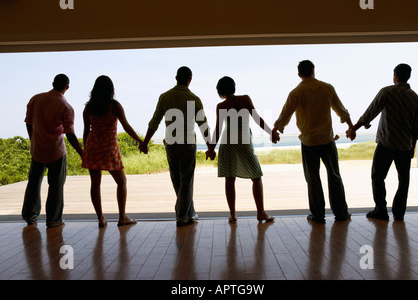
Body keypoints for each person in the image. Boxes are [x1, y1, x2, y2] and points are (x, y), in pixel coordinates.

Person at [273, 60, 353, 223]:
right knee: (334, 176)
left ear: (299, 74)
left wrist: (276, 131)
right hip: (327, 140)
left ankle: (317, 215)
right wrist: (351, 127)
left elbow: (285, 115)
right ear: (313, 71)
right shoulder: (327, 88)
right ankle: (341, 213)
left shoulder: (296, 92)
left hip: (309, 142)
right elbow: (341, 110)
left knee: (313, 179)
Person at [139, 66, 214, 227]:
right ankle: (182, 216)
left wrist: (145, 142)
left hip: (171, 144)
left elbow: (155, 122)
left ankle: (189, 212)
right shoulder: (195, 99)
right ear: (190, 80)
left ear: (176, 78)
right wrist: (210, 147)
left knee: (177, 180)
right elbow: (203, 125)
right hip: (187, 144)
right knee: (186, 180)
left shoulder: (165, 97)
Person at [347, 64, 418, 221]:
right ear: (409, 76)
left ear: (395, 75)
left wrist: (353, 129)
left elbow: (370, 113)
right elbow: (416, 127)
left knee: (377, 176)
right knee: (404, 180)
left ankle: (381, 210)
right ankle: (399, 212)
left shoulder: (387, 92)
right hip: (404, 145)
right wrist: (412, 147)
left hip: (386, 143)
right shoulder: (415, 98)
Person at [206, 76, 278, 223]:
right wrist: (271, 133)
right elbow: (257, 119)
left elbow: (218, 130)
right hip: (244, 141)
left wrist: (212, 149)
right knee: (256, 177)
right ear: (234, 87)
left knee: (229, 178)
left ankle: (232, 214)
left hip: (227, 142)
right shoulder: (245, 99)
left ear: (220, 91)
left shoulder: (221, 106)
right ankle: (261, 213)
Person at [22, 74, 83, 228]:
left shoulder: (35, 99)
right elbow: (69, 133)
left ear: (53, 83)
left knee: (34, 183)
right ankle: (54, 220)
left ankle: (30, 215)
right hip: (56, 151)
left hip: (37, 150)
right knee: (56, 186)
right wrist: (82, 153)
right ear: (67, 87)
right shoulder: (66, 107)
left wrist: (33, 139)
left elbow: (28, 122)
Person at [82, 75, 143, 227]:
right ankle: (122, 217)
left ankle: (101, 219)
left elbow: (85, 132)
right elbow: (126, 127)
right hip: (109, 147)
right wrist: (141, 141)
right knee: (121, 181)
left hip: (92, 146)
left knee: (95, 184)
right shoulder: (114, 105)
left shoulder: (88, 107)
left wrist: (85, 150)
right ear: (111, 89)